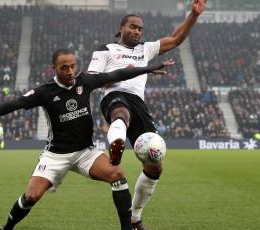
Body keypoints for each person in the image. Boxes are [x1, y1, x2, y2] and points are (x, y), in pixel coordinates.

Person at [0, 49, 174, 230]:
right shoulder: (45, 92)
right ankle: (5, 229)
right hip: (56, 155)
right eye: (64, 68)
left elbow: (116, 75)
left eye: (72, 66)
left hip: (85, 152)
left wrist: (149, 68)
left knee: (117, 175)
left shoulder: (84, 81)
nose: (70, 71)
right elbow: (12, 104)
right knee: (31, 196)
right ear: (54, 69)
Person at [87, 1, 206, 229]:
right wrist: (122, 74)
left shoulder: (145, 49)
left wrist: (193, 14)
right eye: (132, 27)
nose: (137, 31)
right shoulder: (106, 50)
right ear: (121, 28)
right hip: (114, 96)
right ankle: (116, 144)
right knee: (121, 113)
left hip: (138, 104)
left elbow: (176, 39)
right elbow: (91, 80)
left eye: (140, 29)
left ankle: (135, 217)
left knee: (155, 165)